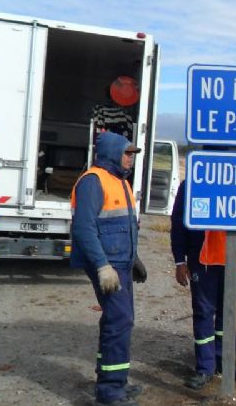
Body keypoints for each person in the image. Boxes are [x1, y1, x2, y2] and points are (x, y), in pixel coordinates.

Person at [70, 131, 147, 406]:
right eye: (128, 153)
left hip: (121, 264)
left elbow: (124, 226)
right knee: (120, 321)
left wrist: (133, 259)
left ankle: (114, 382)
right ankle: (110, 393)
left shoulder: (121, 181)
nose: (131, 159)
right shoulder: (93, 181)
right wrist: (103, 267)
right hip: (107, 265)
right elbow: (83, 229)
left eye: (133, 154)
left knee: (118, 321)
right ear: (113, 152)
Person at [170, 178, 236, 390]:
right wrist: (179, 260)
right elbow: (178, 223)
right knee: (204, 314)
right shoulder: (192, 184)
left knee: (228, 314)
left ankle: (226, 364)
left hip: (234, 262)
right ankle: (205, 368)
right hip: (202, 263)